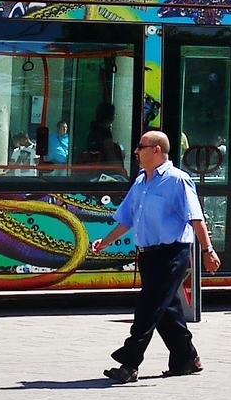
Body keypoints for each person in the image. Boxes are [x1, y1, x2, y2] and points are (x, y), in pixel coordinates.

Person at [90, 131, 221, 383]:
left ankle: (129, 363)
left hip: (172, 253)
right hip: (148, 256)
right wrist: (105, 242)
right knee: (166, 310)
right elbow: (127, 219)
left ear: (157, 151)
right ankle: (186, 358)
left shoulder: (177, 181)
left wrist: (208, 250)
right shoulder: (141, 182)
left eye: (141, 147)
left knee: (149, 308)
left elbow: (196, 218)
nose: (136, 152)